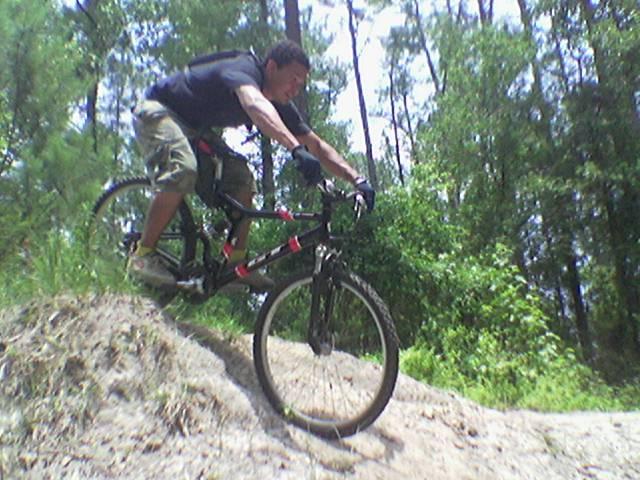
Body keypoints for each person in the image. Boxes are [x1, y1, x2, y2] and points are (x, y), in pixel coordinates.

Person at [128, 39, 375, 291]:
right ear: (271, 67)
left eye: (301, 84)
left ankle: (235, 265)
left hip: (195, 130)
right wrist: (295, 149)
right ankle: (142, 255)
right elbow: (254, 105)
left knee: (242, 179)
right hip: (159, 110)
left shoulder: (279, 102)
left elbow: (317, 145)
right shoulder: (244, 69)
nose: (296, 88)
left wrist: (357, 179)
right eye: (293, 79)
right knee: (183, 167)